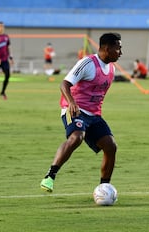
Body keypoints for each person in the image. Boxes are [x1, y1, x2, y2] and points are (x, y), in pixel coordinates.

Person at [40, 32, 122, 192]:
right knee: (77, 137)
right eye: (118, 48)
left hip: (94, 115)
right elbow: (64, 84)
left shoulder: (111, 69)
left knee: (111, 146)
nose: (121, 52)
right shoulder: (88, 63)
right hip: (74, 110)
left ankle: (104, 187)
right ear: (106, 48)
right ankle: (50, 176)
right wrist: (71, 103)